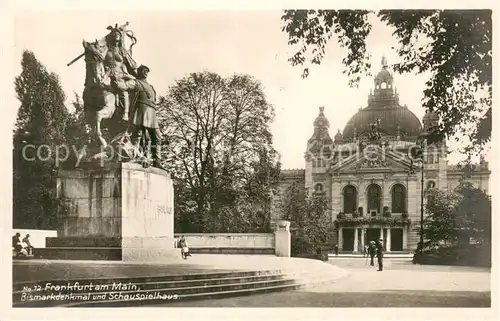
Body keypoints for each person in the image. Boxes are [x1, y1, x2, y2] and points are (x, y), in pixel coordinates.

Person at [129, 65, 164, 168]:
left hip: (152, 113)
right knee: (143, 136)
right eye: (143, 71)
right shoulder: (135, 82)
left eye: (146, 71)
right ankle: (143, 158)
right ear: (139, 72)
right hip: (141, 111)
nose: (145, 73)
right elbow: (125, 87)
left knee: (158, 137)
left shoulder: (151, 86)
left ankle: (157, 160)